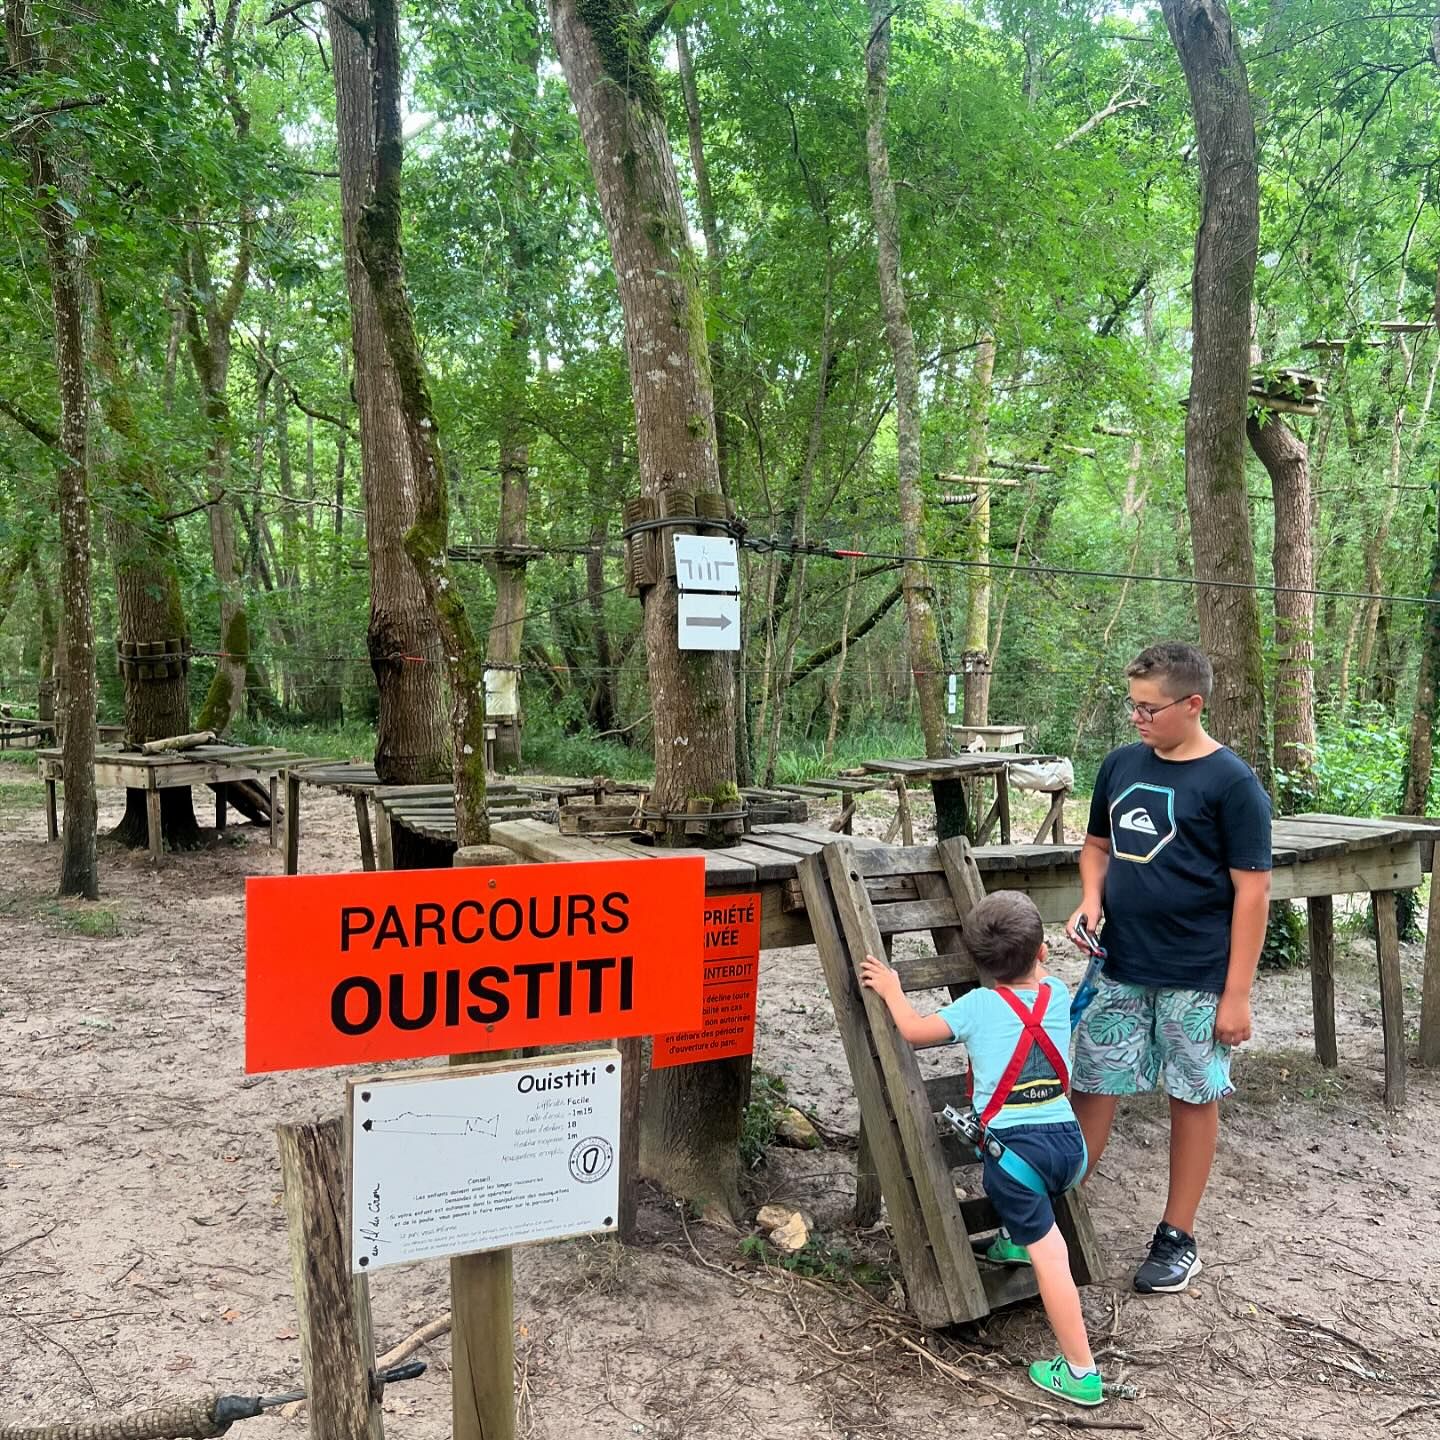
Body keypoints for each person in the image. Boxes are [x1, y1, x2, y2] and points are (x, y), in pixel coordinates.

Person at [1066, 641, 1271, 1295]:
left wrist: (1235, 994)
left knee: (1192, 1095)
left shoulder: (1231, 783)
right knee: (1093, 1083)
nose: (1138, 719)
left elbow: (1253, 892)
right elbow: (1096, 847)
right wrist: (1091, 901)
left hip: (1198, 975)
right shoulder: (1121, 765)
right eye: (1133, 706)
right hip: (1121, 965)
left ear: (1193, 704)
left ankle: (1176, 1237)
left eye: (1150, 708)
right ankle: (1060, 1209)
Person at [860, 891, 1103, 1408]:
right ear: (1041, 954)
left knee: (1052, 1256)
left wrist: (893, 988)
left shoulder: (974, 1007)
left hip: (1017, 1159)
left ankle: (1081, 1371)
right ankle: (1016, 1241)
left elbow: (913, 1031)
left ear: (977, 964)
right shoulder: (1056, 993)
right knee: (1034, 1219)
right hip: (1069, 1146)